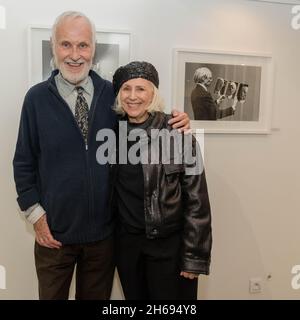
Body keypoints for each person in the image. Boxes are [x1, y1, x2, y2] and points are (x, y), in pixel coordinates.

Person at [13, 11, 189, 300]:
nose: (75, 55)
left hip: (104, 237)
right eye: (66, 44)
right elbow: (23, 162)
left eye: (83, 45)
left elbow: (143, 123)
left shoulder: (113, 96)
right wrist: (36, 217)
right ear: (54, 46)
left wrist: (176, 120)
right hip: (53, 235)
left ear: (93, 49)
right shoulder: (36, 98)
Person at [111, 61, 212, 300]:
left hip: (169, 248)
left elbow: (198, 200)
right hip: (127, 248)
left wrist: (194, 258)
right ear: (118, 95)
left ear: (153, 94)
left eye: (141, 89)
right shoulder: (112, 134)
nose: (132, 96)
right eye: (126, 89)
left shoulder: (178, 134)